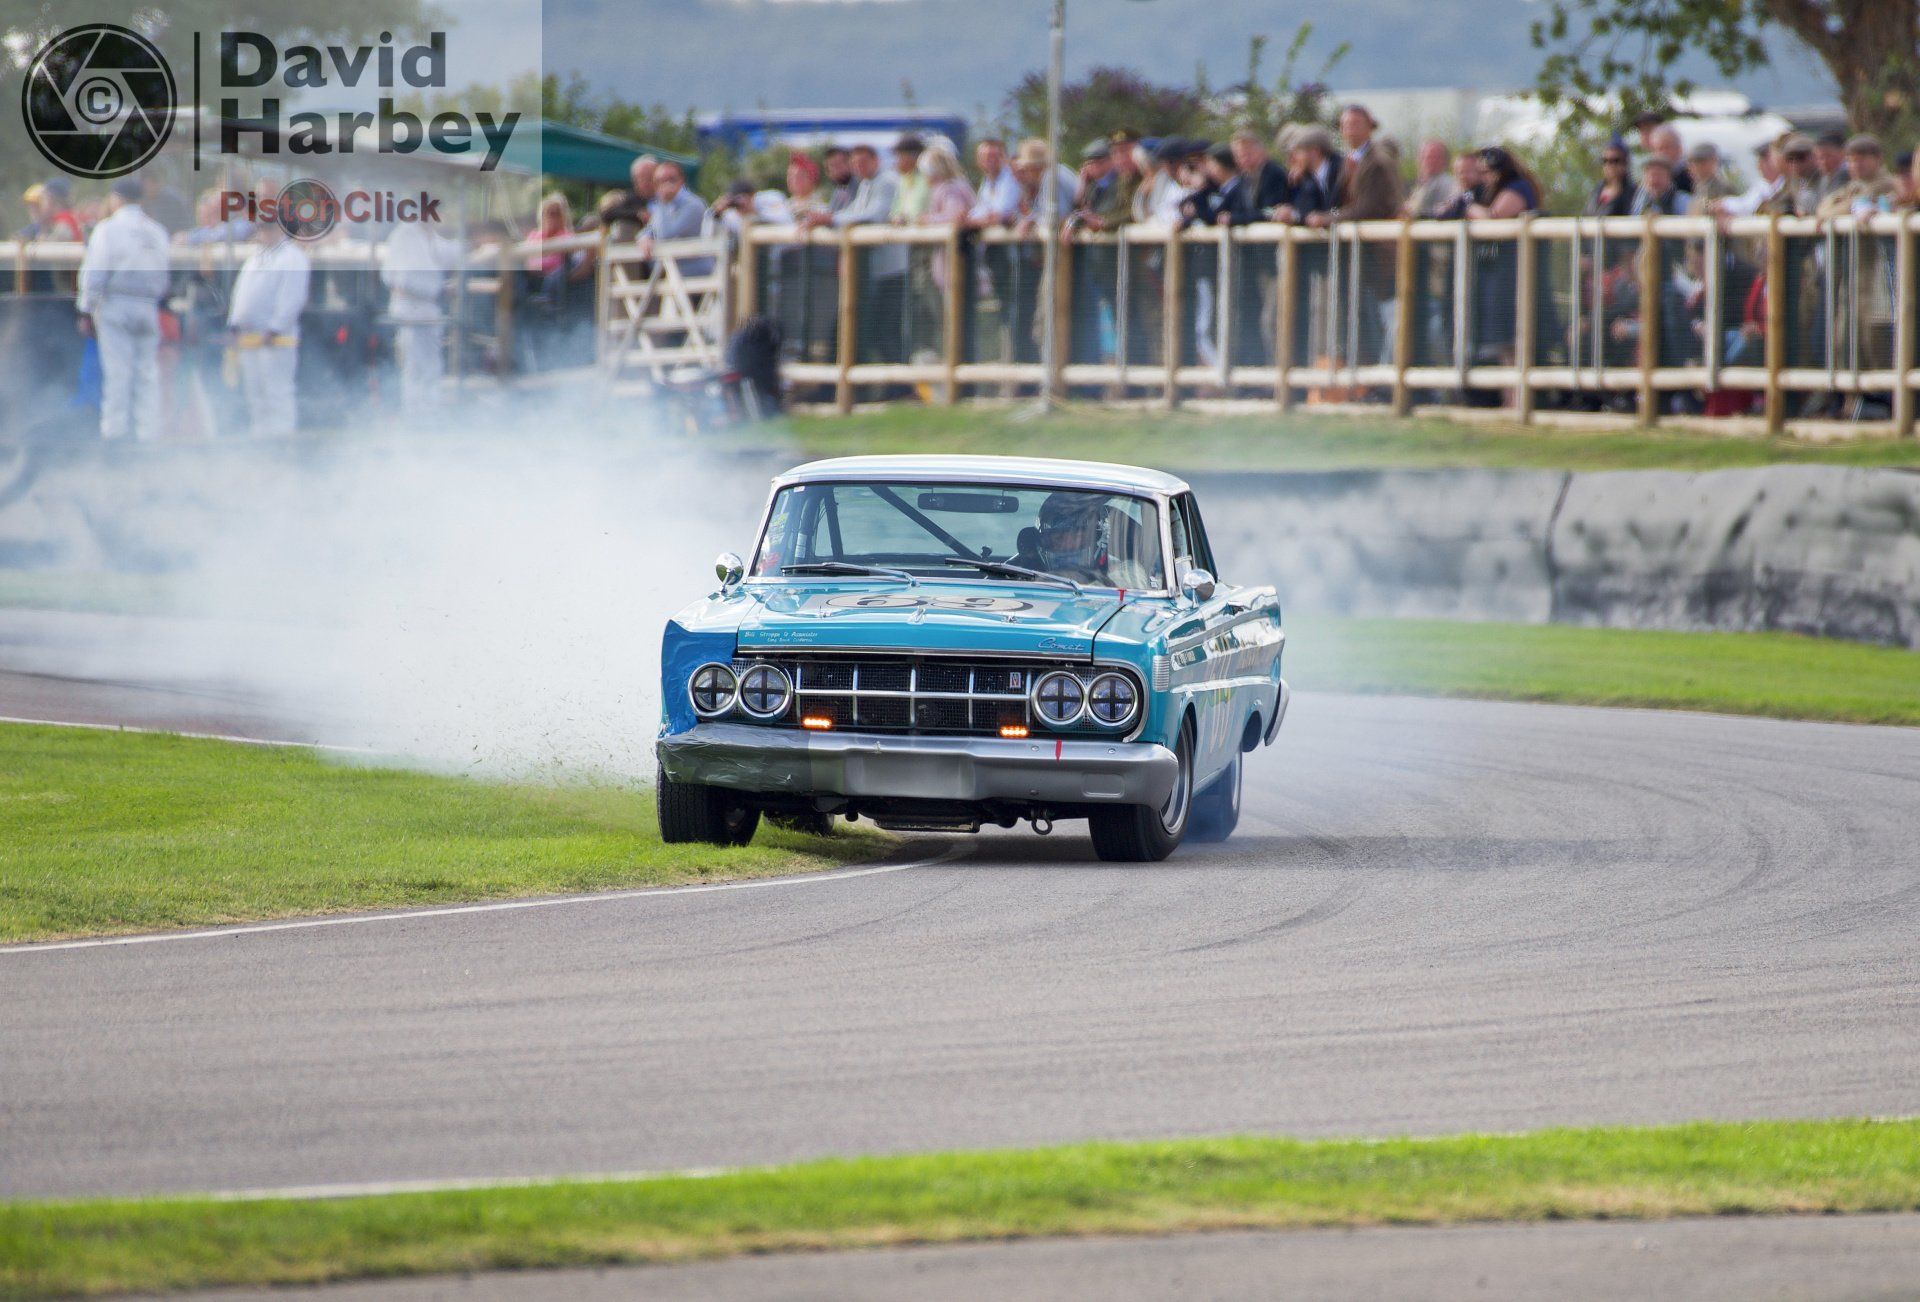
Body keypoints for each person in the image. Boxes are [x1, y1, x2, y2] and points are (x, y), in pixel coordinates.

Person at [76, 176, 170, 442]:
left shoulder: (108, 229)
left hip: (116, 303)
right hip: (148, 305)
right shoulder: (157, 231)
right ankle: (148, 433)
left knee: (118, 372)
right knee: (147, 373)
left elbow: (95, 271)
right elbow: (164, 277)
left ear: (116, 198)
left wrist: (85, 308)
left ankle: (115, 434)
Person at [226, 214, 311, 437]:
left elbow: (292, 298)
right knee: (255, 394)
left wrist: (275, 328)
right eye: (261, 229)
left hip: (275, 339)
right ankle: (261, 439)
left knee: (276, 392)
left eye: (268, 228)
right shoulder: (256, 257)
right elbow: (241, 294)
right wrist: (235, 325)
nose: (263, 233)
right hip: (249, 337)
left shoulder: (292, 258)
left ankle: (281, 439)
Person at [380, 210, 460, 414]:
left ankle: (430, 411)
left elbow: (446, 252)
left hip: (427, 309)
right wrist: (441, 288)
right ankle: (416, 414)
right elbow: (408, 278)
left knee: (431, 365)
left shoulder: (429, 235)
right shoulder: (406, 235)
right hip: (410, 308)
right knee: (415, 365)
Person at [600, 156, 657, 242]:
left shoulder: (666, 196)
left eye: (650, 176)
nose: (646, 181)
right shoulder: (631, 198)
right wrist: (637, 214)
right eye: (641, 177)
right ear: (635, 180)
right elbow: (608, 214)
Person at [1404, 139, 1458, 219]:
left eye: (1437, 157)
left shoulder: (1450, 185)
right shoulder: (1412, 186)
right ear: (1418, 159)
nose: (1432, 161)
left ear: (1446, 161)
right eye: (1428, 157)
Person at [1585, 140, 1636, 216]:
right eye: (1605, 161)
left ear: (1625, 163)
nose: (1609, 165)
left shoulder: (1633, 193)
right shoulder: (1596, 190)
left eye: (1615, 161)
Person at [888, 135, 930, 223]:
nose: (895, 161)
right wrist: (896, 217)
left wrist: (906, 219)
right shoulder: (903, 180)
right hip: (907, 234)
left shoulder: (928, 179)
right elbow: (895, 210)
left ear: (913, 157)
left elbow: (919, 209)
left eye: (898, 156)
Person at [1646, 125, 1694, 194]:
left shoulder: (1691, 175)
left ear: (1679, 148)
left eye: (1668, 147)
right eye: (1660, 149)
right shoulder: (1650, 179)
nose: (1663, 153)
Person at [1814, 131, 1850, 201]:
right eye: (1820, 158)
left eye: (1829, 156)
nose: (1824, 162)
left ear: (1843, 153)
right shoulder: (1824, 179)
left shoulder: (1848, 174)